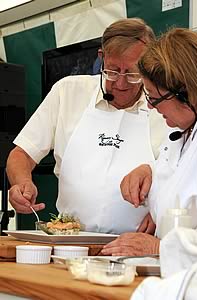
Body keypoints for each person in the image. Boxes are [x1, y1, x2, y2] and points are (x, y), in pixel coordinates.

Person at [6, 18, 167, 234]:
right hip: (71, 241)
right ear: (101, 57)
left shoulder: (164, 105)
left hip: (136, 247)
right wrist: (21, 183)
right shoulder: (68, 92)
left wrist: (162, 210)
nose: (120, 83)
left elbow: (184, 173)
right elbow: (21, 154)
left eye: (132, 74)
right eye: (112, 71)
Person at [101, 27, 197, 252]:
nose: (151, 107)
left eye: (154, 97)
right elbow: (180, 183)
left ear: (185, 92)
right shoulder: (183, 133)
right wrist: (149, 172)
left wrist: (159, 248)